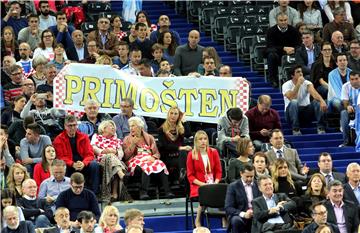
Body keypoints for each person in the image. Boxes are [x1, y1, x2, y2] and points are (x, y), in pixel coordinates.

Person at [123, 116, 174, 200]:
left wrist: (153, 158)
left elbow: (156, 153)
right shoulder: (127, 139)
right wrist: (133, 144)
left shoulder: (149, 137)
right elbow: (125, 156)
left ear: (140, 127)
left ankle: (167, 191)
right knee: (145, 166)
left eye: (133, 126)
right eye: (130, 126)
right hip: (135, 160)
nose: (131, 128)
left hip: (149, 158)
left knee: (161, 164)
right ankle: (143, 192)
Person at [53, 115, 100, 194]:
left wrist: (84, 163)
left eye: (74, 125)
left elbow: (90, 154)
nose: (72, 128)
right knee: (62, 165)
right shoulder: (58, 139)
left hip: (82, 164)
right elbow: (60, 157)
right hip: (69, 165)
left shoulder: (84, 137)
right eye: (70, 125)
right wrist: (72, 164)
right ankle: (67, 192)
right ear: (65, 126)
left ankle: (94, 193)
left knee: (94, 165)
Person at [186, 130, 222, 227]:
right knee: (205, 193)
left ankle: (224, 221)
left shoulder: (213, 152)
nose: (203, 141)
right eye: (200, 139)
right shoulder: (191, 154)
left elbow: (219, 172)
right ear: (196, 141)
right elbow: (190, 176)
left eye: (205, 139)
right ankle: (197, 220)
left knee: (225, 193)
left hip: (213, 184)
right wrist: (204, 185)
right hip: (198, 186)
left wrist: (216, 182)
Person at [91, 120, 131, 203]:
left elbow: (121, 153)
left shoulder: (117, 140)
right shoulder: (96, 137)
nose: (113, 128)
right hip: (101, 161)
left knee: (112, 160)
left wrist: (116, 152)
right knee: (110, 157)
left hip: (115, 161)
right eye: (110, 126)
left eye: (114, 127)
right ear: (103, 128)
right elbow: (93, 148)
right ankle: (121, 176)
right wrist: (104, 151)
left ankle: (115, 194)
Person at [282, 65, 327, 135]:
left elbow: (314, 94)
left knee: (317, 101)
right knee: (294, 102)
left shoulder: (307, 83)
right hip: (291, 114)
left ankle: (321, 127)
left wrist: (322, 101)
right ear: (292, 75)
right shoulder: (286, 85)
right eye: (298, 72)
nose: (301, 74)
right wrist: (298, 84)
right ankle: (295, 129)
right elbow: (292, 97)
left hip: (305, 112)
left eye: (301, 72)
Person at [266, 12, 302, 88]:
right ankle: (273, 79)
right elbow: (270, 47)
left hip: (292, 54)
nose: (283, 22)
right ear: (277, 21)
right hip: (278, 55)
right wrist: (283, 48)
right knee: (271, 55)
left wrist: (293, 49)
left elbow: (299, 45)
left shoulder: (294, 30)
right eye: (281, 20)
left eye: (285, 20)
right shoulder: (271, 31)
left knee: (300, 52)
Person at [158, 106, 192, 184]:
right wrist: (181, 148)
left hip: (181, 156)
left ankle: (182, 174)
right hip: (169, 156)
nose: (173, 115)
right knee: (185, 159)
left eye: (176, 114)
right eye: (171, 113)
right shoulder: (162, 129)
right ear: (168, 114)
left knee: (185, 155)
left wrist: (185, 121)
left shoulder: (180, 128)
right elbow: (164, 146)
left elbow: (188, 134)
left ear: (178, 116)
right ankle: (183, 174)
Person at [225, 164, 261, 233]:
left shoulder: (258, 185)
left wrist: (256, 212)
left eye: (252, 176)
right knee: (236, 220)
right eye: (247, 176)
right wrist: (244, 214)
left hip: (256, 214)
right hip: (240, 215)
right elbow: (228, 208)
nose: (250, 179)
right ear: (241, 174)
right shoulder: (233, 187)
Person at [340, 71, 360, 147]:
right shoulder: (345, 86)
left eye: (356, 79)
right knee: (344, 113)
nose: (354, 81)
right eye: (352, 79)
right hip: (352, 111)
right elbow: (345, 102)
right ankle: (346, 142)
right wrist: (347, 106)